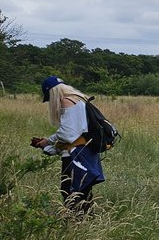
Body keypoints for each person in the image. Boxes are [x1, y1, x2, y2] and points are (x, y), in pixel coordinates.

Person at [30, 75, 104, 214]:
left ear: (52, 93)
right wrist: (49, 147)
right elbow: (74, 135)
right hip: (86, 152)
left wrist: (48, 141)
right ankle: (86, 221)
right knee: (83, 192)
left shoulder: (67, 101)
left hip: (76, 155)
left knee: (69, 192)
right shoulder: (79, 99)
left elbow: (67, 134)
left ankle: (74, 222)